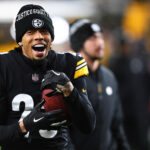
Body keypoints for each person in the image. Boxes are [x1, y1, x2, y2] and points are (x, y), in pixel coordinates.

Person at [0, 4, 96, 150]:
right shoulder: (4, 65)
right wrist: (24, 126)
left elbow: (88, 125)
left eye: (44, 31)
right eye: (30, 32)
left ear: (51, 37)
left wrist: (70, 92)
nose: (39, 36)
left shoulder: (69, 63)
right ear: (20, 40)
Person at [69, 19, 130, 150]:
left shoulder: (109, 77)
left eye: (101, 37)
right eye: (93, 38)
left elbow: (116, 124)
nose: (100, 42)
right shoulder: (69, 79)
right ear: (79, 43)